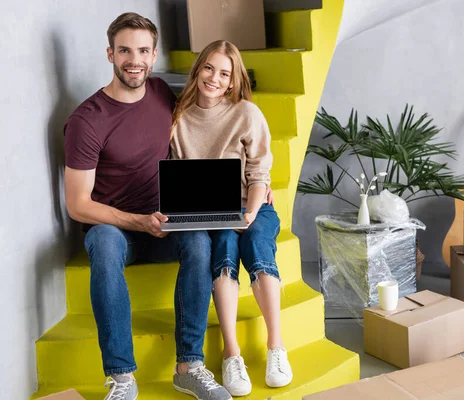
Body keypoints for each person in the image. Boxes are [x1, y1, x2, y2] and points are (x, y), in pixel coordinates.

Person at [63, 13, 232, 400]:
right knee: (104, 246)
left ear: (154, 55)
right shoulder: (86, 120)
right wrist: (137, 221)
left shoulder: (160, 93)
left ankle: (189, 366)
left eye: (142, 50)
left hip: (161, 220)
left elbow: (207, 134)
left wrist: (258, 181)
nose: (133, 59)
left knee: (199, 241)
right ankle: (121, 377)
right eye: (124, 50)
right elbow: (77, 204)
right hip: (114, 226)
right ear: (110, 54)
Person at [170, 40, 293, 397]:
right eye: (209, 68)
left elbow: (259, 177)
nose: (214, 78)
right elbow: (176, 174)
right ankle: (231, 353)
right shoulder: (178, 117)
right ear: (198, 69)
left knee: (255, 243)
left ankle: (276, 347)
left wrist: (250, 212)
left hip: (253, 206)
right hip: (208, 211)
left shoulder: (246, 114)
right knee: (223, 247)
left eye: (224, 73)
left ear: (233, 80)